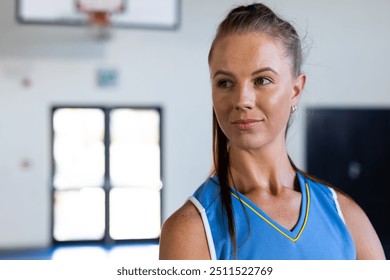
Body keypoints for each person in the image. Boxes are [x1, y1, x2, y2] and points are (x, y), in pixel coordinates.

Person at [159, 3, 386, 260]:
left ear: (295, 90)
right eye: (225, 82)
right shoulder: (191, 230)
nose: (242, 99)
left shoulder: (346, 216)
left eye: (262, 80)